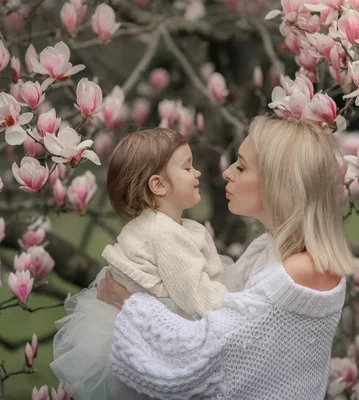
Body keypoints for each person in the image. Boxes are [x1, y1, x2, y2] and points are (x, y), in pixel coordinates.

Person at [96, 115, 355, 400]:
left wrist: (130, 304)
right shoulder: (271, 249)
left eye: (242, 167)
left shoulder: (298, 272)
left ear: (277, 181)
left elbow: (207, 354)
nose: (227, 172)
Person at [51, 127, 230, 399]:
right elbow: (200, 300)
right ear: (158, 185)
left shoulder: (162, 227)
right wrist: (236, 302)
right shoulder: (164, 234)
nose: (198, 173)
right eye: (187, 167)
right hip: (157, 339)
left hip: (137, 330)